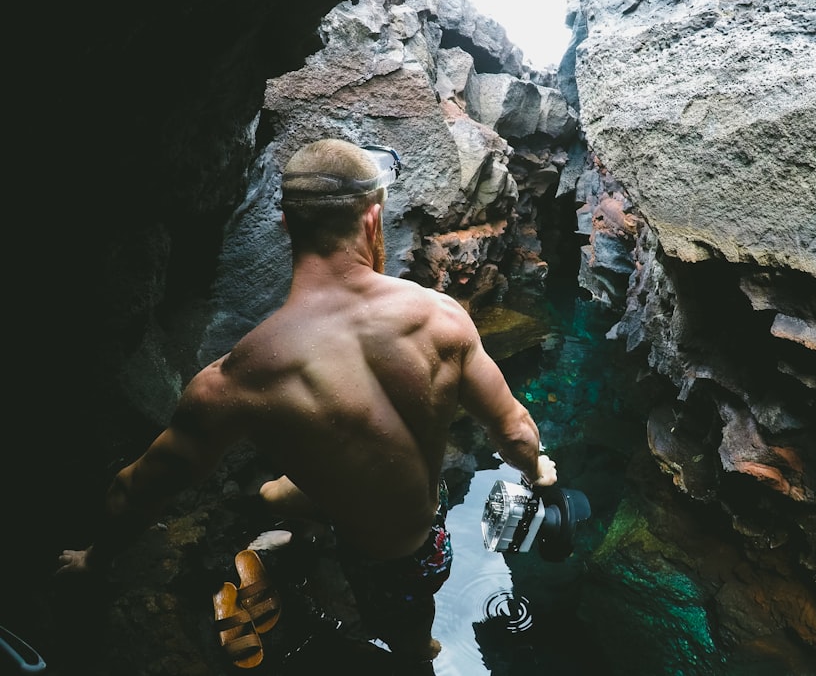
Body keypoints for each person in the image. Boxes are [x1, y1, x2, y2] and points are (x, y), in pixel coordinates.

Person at [56, 138, 558, 667]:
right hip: (420, 530)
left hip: (390, 560)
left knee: (405, 642)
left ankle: (417, 650)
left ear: (285, 226)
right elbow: (517, 430)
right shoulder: (442, 317)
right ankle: (408, 634)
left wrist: (95, 559)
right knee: (277, 497)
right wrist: (539, 469)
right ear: (372, 219)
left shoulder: (240, 378)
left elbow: (134, 489)